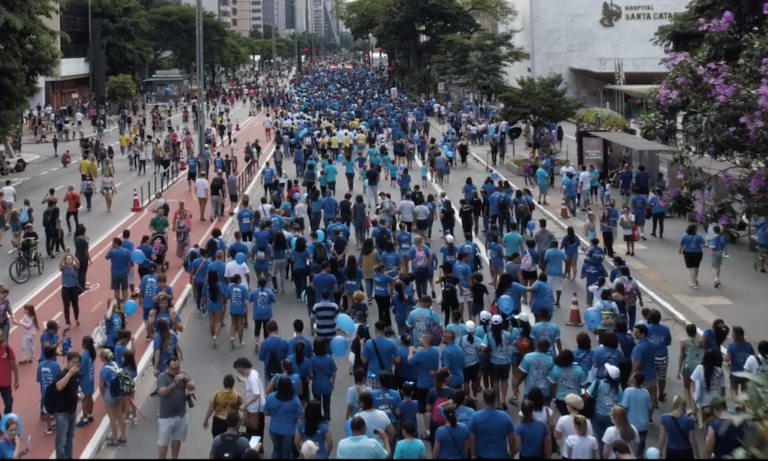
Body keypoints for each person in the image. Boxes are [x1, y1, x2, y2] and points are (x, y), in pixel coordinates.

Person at [156, 356, 195, 459]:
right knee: (163, 442)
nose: (175, 370)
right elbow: (162, 392)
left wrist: (186, 381)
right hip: (166, 417)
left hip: (181, 414)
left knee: (177, 439)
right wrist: (174, 383)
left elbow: (192, 387)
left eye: (177, 367)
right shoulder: (162, 377)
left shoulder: (183, 373)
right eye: (173, 368)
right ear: (168, 367)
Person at [468, 389, 517, 459]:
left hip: (482, 456)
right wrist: (511, 453)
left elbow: (471, 437)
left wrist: (473, 454)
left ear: (483, 399)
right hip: (501, 456)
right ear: (495, 400)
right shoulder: (505, 417)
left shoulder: (475, 417)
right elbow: (511, 439)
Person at [265, 376, 304, 459]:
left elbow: (266, 412)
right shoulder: (294, 400)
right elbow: (301, 415)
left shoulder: (271, 397)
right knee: (286, 452)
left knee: (276, 449)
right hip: (289, 431)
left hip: (274, 429)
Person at [51, 351, 80, 459]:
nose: (75, 365)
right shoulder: (63, 374)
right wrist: (69, 374)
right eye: (73, 362)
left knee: (70, 437)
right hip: (62, 413)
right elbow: (58, 386)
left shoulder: (76, 374)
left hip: (72, 411)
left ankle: (69, 457)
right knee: (61, 441)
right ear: (68, 362)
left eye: (77, 363)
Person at [658, 395, 698, 459]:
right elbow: (693, 442)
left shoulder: (664, 418)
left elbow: (662, 438)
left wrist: (660, 451)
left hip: (671, 451)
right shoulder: (689, 421)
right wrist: (697, 455)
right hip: (686, 452)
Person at [203, 374, 243, 439]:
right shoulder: (237, 396)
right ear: (233, 384)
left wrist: (206, 419)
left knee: (218, 442)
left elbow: (211, 409)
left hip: (218, 422)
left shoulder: (216, 395)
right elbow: (240, 403)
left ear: (224, 383)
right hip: (231, 423)